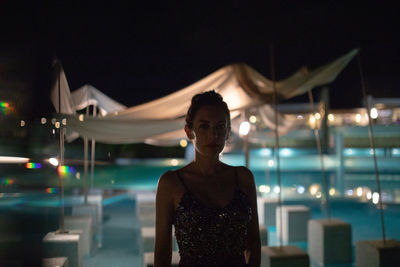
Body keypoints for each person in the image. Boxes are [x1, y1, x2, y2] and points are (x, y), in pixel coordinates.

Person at [154, 90, 261, 267]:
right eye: (204, 126)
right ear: (189, 132)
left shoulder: (243, 178)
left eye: (220, 126)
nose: (214, 135)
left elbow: (254, 244)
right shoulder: (171, 183)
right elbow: (162, 254)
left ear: (228, 132)